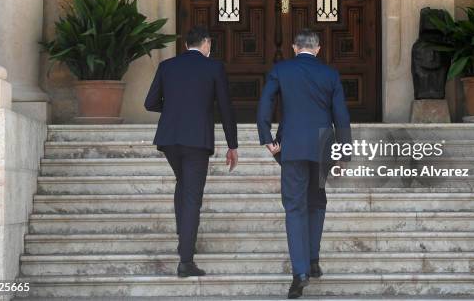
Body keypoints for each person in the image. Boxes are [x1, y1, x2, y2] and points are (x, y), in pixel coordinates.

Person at [257, 28, 351, 299]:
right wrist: (343, 152)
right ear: (318, 49)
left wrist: (267, 137)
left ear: (294, 47)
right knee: (318, 201)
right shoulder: (330, 74)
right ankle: (312, 260)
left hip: (293, 145)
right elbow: (341, 116)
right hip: (323, 146)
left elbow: (265, 102)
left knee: (295, 206)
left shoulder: (282, 69)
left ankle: (300, 271)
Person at [144, 25, 238, 277]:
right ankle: (186, 261)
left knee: (183, 183)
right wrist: (232, 145)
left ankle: (183, 238)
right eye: (210, 45)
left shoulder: (167, 66)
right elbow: (226, 108)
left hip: (170, 139)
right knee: (192, 196)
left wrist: (175, 108)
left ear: (186, 45)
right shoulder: (214, 67)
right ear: (206, 44)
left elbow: (150, 102)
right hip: (197, 140)